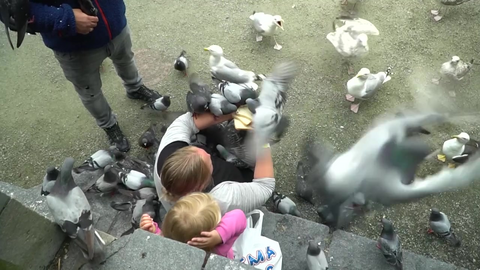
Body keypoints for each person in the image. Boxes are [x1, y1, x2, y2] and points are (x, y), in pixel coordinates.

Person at [27, 0, 163, 152]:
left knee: (126, 60)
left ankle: (134, 88)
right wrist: (65, 18)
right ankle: (108, 124)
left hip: (116, 24)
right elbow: (11, 11)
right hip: (73, 45)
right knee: (90, 91)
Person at [154, 111, 275, 214]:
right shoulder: (221, 200)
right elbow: (265, 186)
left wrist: (233, 113)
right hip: (233, 187)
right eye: (209, 162)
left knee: (206, 128)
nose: (207, 154)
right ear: (202, 185)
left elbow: (186, 122)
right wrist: (263, 141)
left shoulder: (167, 153)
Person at [139, 192, 247, 259]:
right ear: (210, 232)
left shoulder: (169, 248)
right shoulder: (218, 248)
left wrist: (154, 234)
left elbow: (168, 240)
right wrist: (219, 235)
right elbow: (239, 216)